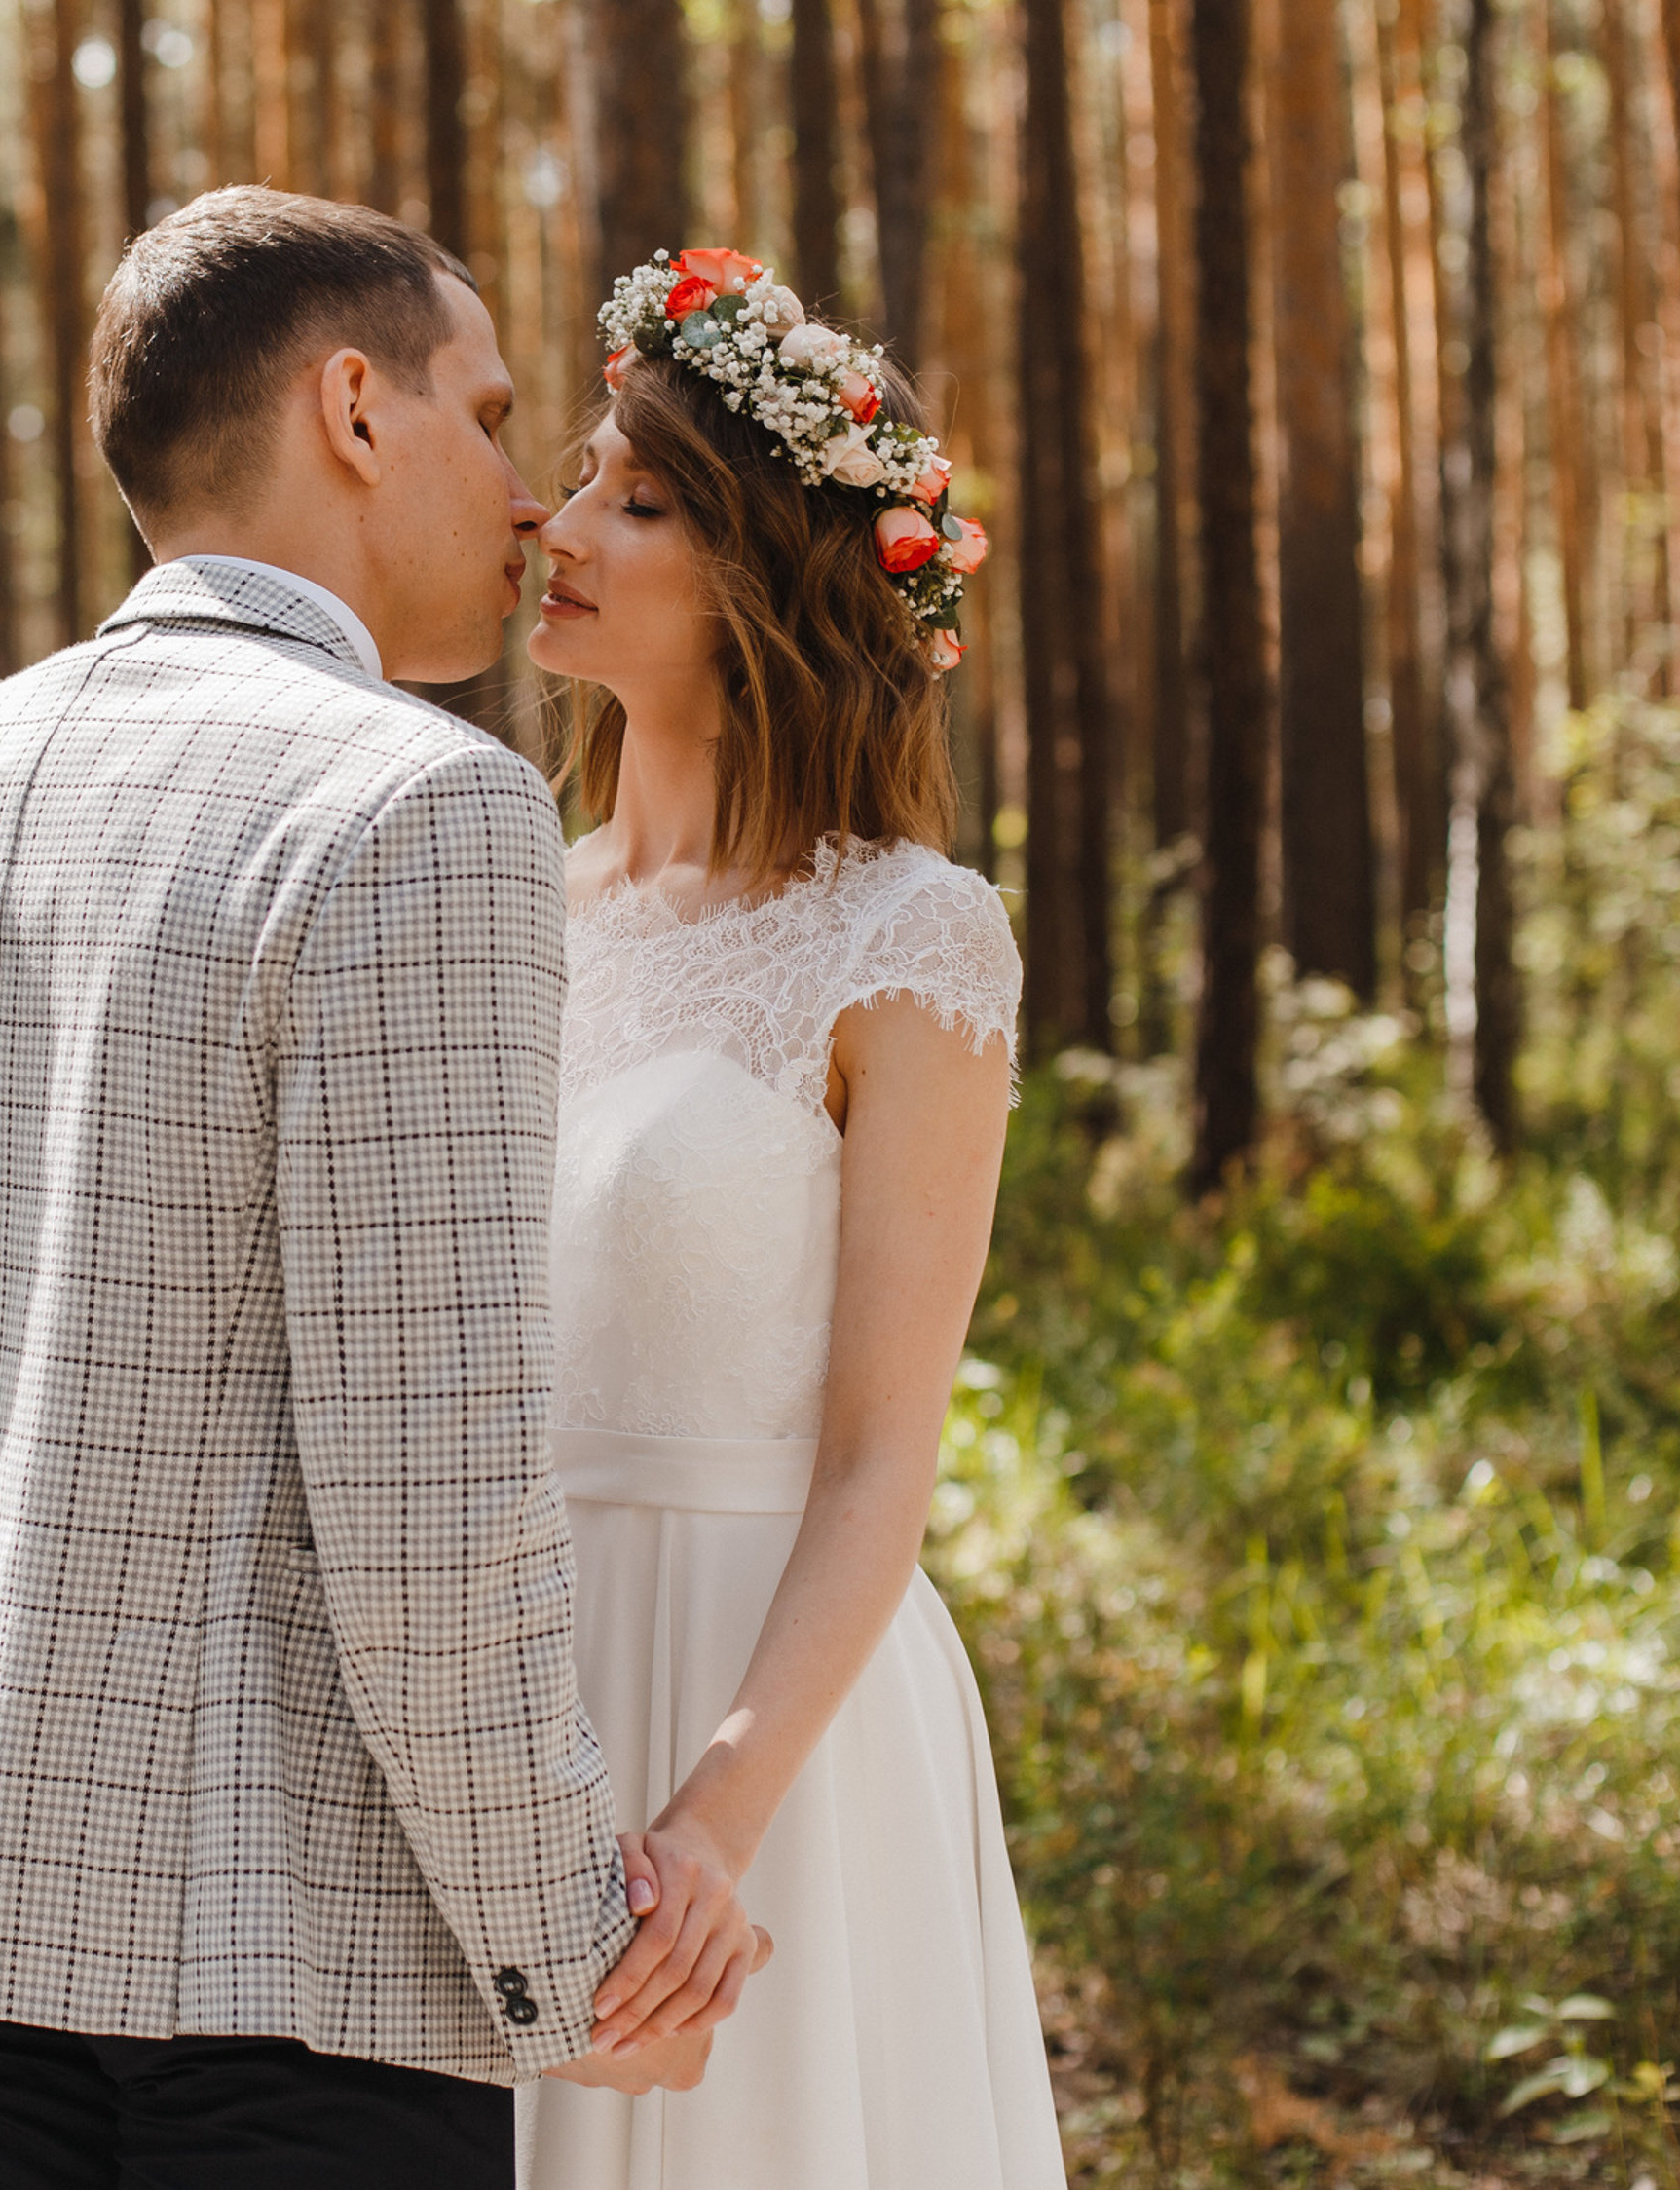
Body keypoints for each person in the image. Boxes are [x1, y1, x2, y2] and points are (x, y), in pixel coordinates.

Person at [0, 191, 765, 2190]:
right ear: (350, 408)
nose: (524, 494)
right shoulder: (420, 805)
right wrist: (563, 1942)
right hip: (301, 1978)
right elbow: (428, 1486)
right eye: (485, 413)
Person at [514, 249, 1068, 2187]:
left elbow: (875, 1456)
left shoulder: (906, 937)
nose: (557, 523)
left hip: (771, 1726)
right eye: (581, 471)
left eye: (636, 500)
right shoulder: (515, 901)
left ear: (765, 576)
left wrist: (710, 1824)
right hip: (510, 1687)